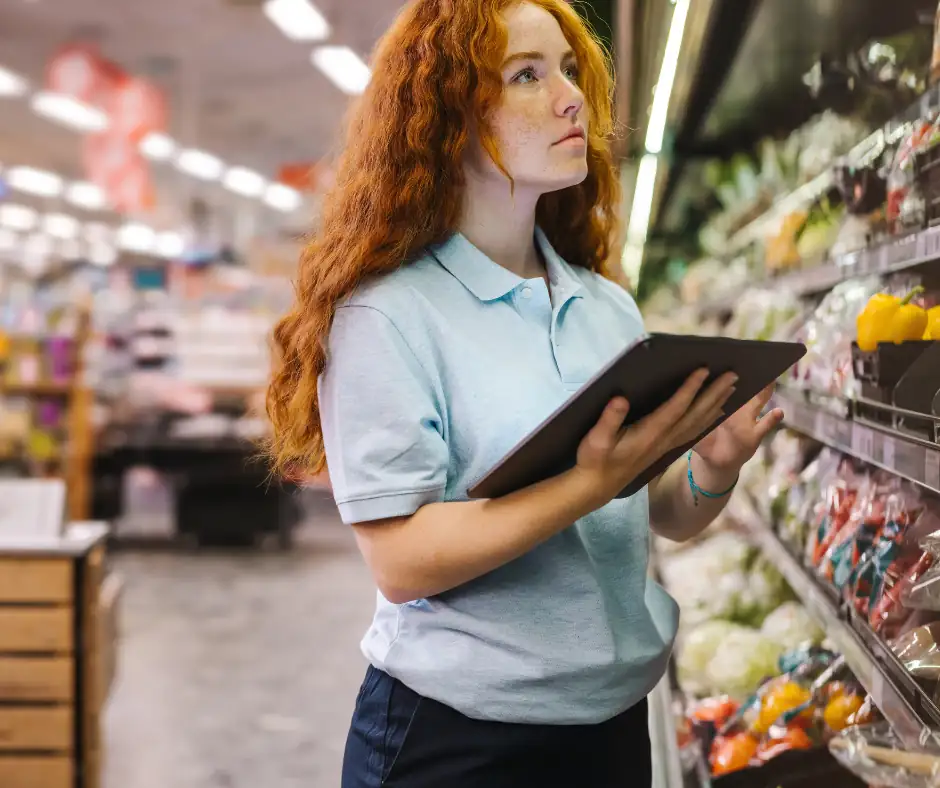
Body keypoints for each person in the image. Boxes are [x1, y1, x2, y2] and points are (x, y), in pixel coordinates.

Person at [265, 1, 783, 785]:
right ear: (450, 119)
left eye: (569, 71)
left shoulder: (604, 307)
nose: (571, 96)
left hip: (610, 729)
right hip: (459, 742)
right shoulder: (388, 315)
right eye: (527, 77)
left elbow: (664, 516)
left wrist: (713, 462)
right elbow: (402, 561)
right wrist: (587, 484)